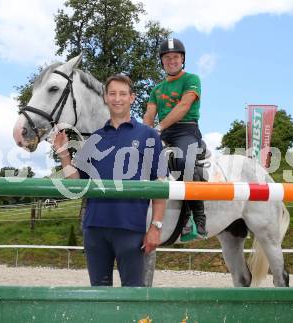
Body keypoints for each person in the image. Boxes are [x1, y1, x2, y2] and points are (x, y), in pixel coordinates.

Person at [53, 74, 166, 287]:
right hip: (95, 230)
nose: (117, 99)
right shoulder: (94, 139)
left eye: (123, 94)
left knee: (133, 297)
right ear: (105, 97)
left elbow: (159, 187)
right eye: (112, 93)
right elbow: (76, 183)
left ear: (132, 97)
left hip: (131, 230)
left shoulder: (149, 136)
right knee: (99, 296)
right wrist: (63, 153)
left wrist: (156, 227)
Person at [143, 37, 207, 237]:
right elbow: (149, 115)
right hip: (163, 132)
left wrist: (159, 127)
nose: (172, 61)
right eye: (167, 58)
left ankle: (197, 216)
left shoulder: (191, 80)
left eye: (176, 57)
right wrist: (145, 133)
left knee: (182, 161)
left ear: (182, 59)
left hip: (186, 130)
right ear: (162, 61)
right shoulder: (156, 89)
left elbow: (184, 106)